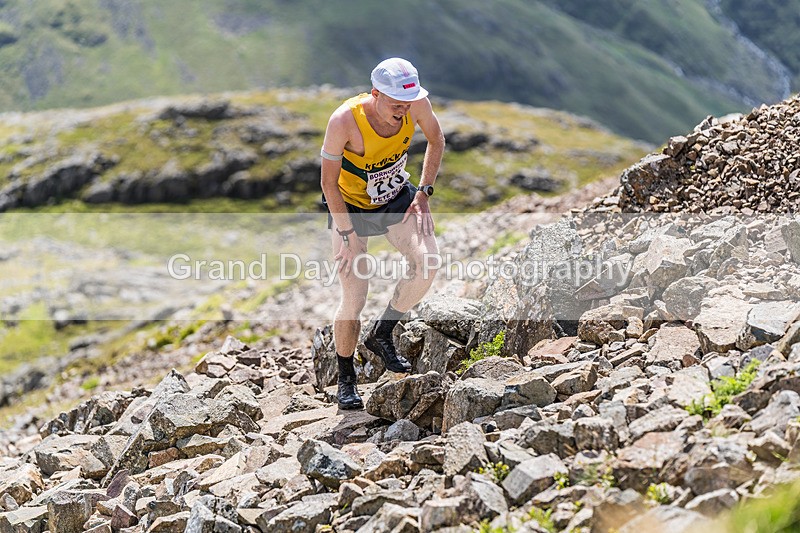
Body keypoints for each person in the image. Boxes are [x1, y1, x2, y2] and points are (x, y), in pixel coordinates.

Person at [320, 57, 445, 410]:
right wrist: (346, 233)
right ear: (376, 94)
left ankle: (383, 332)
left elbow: (437, 140)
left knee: (428, 264)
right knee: (355, 295)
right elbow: (328, 183)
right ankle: (346, 378)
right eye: (395, 105)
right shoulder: (344, 120)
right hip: (350, 208)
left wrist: (424, 193)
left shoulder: (416, 103)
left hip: (396, 199)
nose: (403, 112)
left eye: (408, 104)